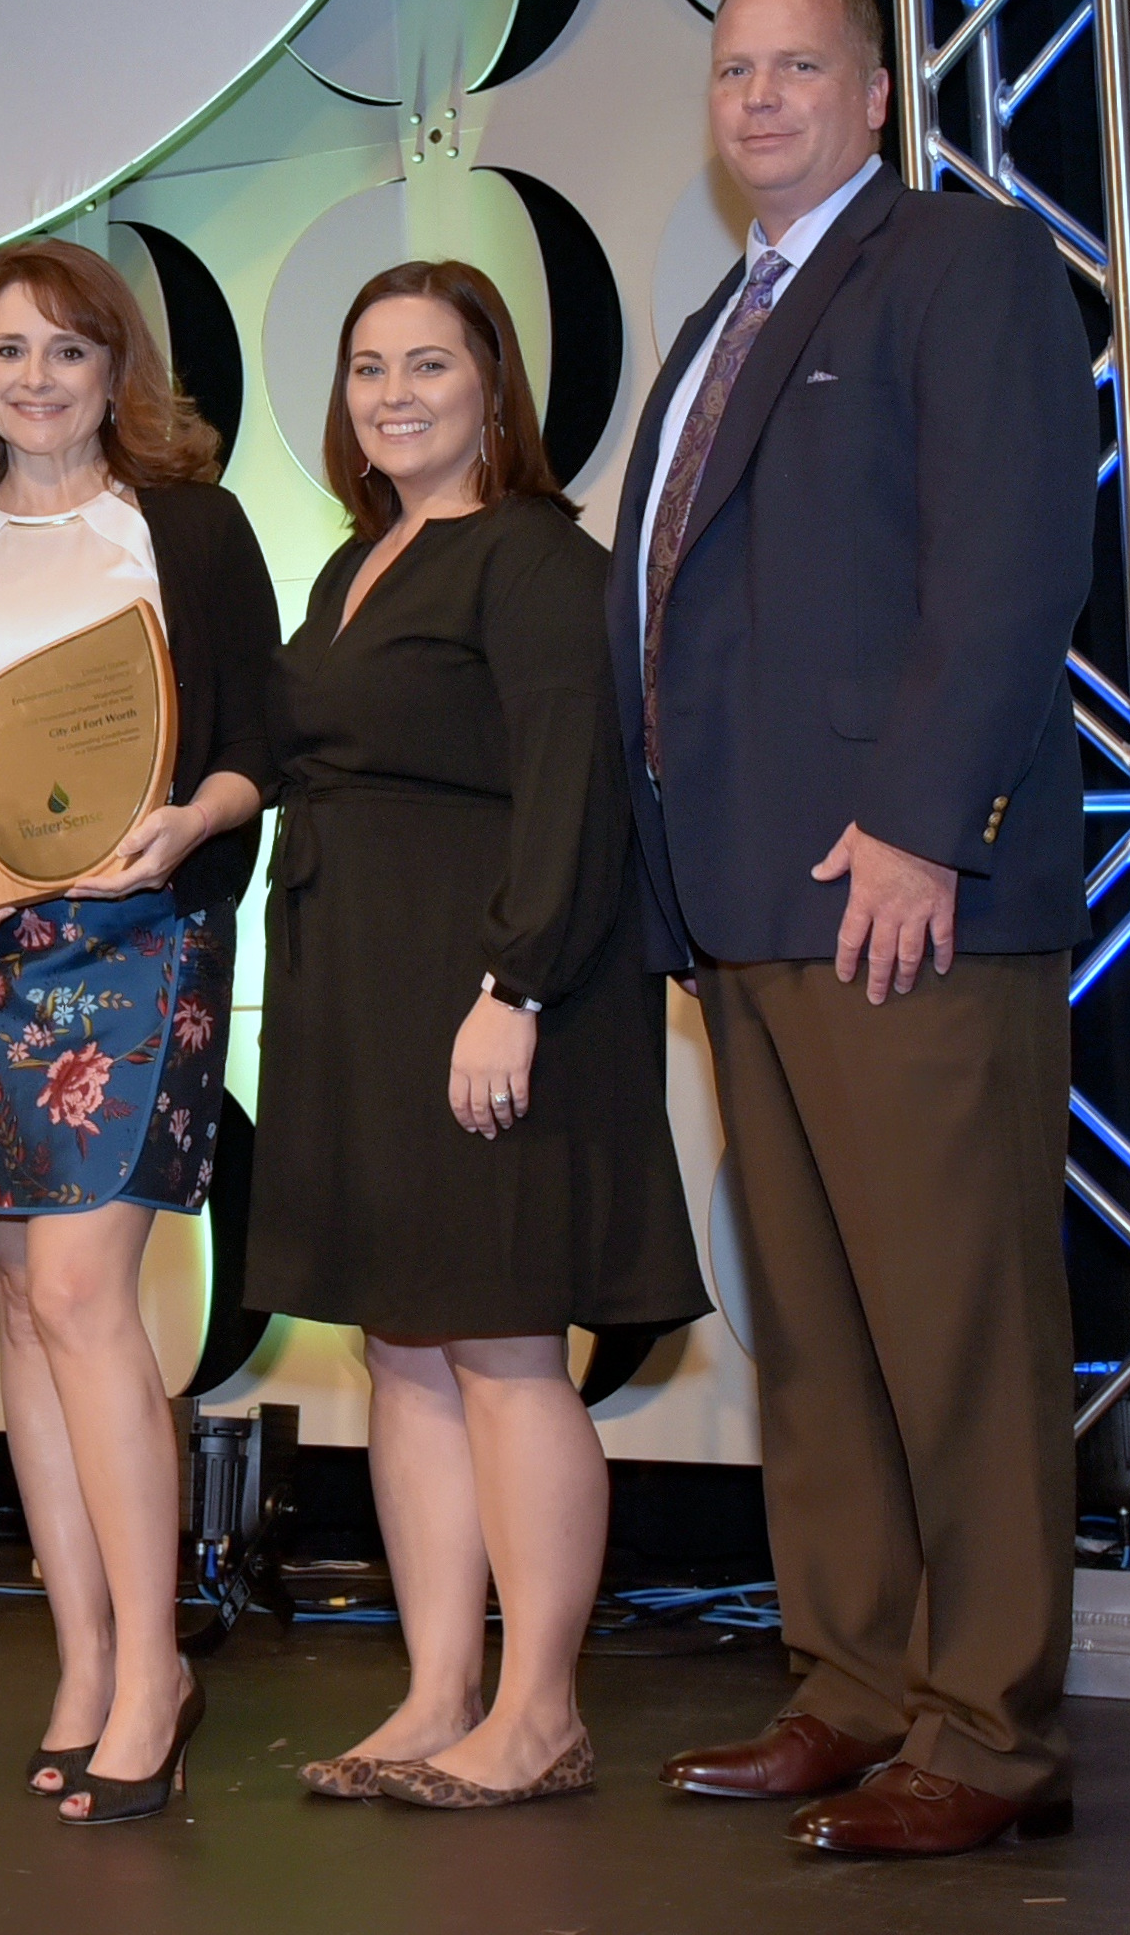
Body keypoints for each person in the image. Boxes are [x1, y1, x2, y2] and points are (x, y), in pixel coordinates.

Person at [618, 0, 1094, 1857]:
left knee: (954, 1327)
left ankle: (986, 1732)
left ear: (877, 90)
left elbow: (1010, 562)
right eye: (733, 69)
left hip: (902, 894)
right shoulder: (727, 313)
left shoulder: (957, 267)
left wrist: (922, 824)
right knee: (815, 1333)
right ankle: (855, 1686)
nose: (758, 98)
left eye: (797, 65)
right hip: (745, 901)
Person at [248, 259, 709, 1813]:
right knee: (403, 1348)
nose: (394, 395)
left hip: (499, 997)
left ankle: (540, 1709)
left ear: (493, 390)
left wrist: (512, 991)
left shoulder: (533, 559)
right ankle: (438, 1690)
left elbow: (577, 789)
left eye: (429, 366)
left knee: (509, 1345)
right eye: (370, 367)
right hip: (356, 997)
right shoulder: (358, 562)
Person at [0, 239, 279, 1825]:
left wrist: (187, 829)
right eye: (7, 352)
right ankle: (84, 1656)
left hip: (138, 940)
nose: (35, 379)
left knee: (90, 1293)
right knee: (23, 1307)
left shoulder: (191, 527)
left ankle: (157, 1664)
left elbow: (258, 743)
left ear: (119, 372)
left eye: (67, 353)